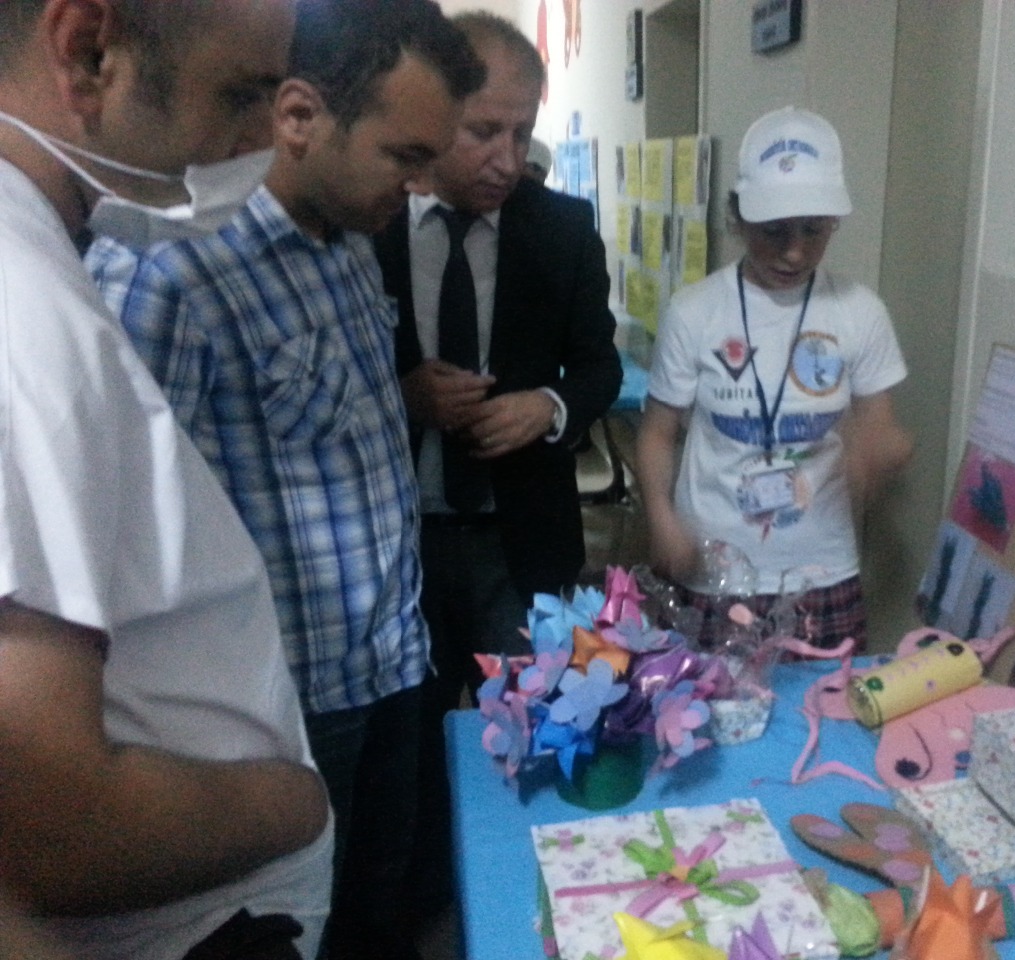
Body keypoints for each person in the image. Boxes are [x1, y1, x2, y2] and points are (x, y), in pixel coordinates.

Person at [86, 3, 485, 957]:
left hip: (391, 662)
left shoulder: (347, 245)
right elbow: (116, 547)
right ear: (300, 116)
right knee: (302, 931)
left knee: (382, 913)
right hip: (283, 712)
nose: (420, 187)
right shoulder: (165, 273)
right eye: (404, 156)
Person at [0, 2, 335, 959]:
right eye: (239, 95)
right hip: (193, 929)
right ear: (87, 53)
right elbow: (58, 827)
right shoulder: (20, 316)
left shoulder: (39, 261)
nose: (261, 143)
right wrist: (296, 802)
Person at [372, 9, 621, 922]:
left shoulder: (562, 229)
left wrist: (549, 407)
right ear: (435, 117)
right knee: (412, 738)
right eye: (483, 131)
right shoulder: (366, 226)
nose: (507, 159)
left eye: (522, 133)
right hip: (399, 537)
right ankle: (430, 904)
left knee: (531, 727)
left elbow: (600, 367)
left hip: (519, 537)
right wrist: (404, 394)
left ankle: (538, 902)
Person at [637, 106, 912, 651]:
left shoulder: (860, 311)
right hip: (713, 565)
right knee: (709, 702)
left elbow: (881, 429)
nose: (794, 251)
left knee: (825, 700)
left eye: (814, 230)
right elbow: (657, 433)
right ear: (737, 218)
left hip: (821, 569)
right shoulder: (694, 311)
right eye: (774, 232)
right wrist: (661, 518)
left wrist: (885, 449)